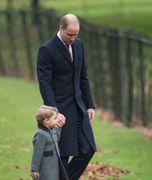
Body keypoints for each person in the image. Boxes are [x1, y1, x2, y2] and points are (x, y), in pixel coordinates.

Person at [36, 13, 96, 180]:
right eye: (70, 34)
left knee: (88, 149)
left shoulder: (79, 45)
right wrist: (54, 112)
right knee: (62, 156)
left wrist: (90, 105)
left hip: (79, 107)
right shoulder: (46, 50)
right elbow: (45, 84)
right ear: (61, 28)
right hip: (59, 109)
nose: (73, 38)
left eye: (76, 34)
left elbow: (83, 76)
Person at [30, 105, 68, 180]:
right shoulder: (41, 134)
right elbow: (37, 153)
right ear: (46, 121)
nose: (57, 120)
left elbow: (56, 138)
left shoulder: (51, 130)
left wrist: (59, 127)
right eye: (55, 118)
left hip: (54, 166)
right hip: (45, 167)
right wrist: (34, 169)